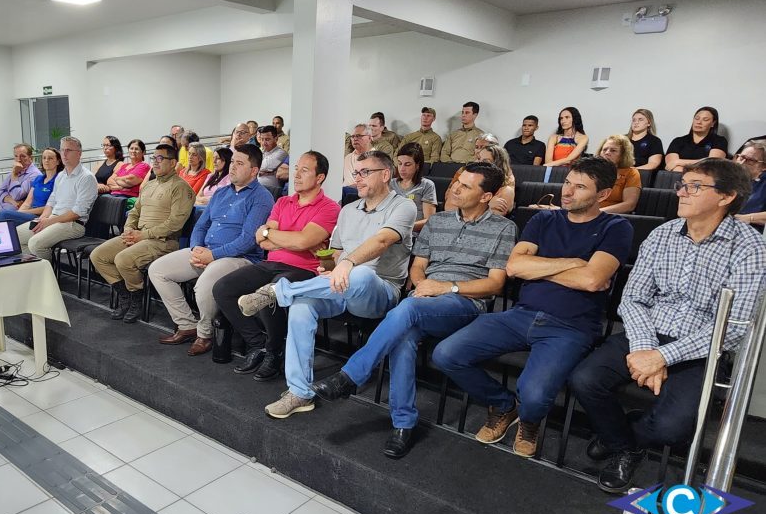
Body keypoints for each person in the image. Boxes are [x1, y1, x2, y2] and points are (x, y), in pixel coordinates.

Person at [569, 159, 766, 493]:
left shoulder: (750, 247)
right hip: (646, 331)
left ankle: (624, 433)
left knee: (671, 430)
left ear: (726, 196)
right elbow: (633, 299)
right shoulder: (662, 235)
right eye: (682, 184)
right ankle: (626, 447)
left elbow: (734, 326)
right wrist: (646, 348)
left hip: (702, 346)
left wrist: (662, 357)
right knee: (584, 380)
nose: (682, 192)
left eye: (695, 186)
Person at [310, 162, 517, 457]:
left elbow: (495, 284)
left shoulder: (504, 228)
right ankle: (404, 423)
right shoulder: (438, 221)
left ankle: (350, 376)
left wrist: (446, 288)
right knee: (404, 336)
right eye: (457, 181)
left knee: (407, 311)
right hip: (425, 299)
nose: (455, 188)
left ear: (486, 196)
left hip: (465, 303)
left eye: (466, 186)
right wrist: (422, 284)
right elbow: (418, 268)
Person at [432, 157, 632, 457]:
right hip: (520, 314)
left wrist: (542, 268)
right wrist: (575, 264)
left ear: (602, 195)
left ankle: (529, 420)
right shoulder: (543, 219)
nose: (567, 192)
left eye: (580, 187)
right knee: (447, 354)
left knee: (535, 395)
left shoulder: (616, 227)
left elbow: (592, 280)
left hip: (570, 326)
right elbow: (514, 266)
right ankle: (503, 406)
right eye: (567, 183)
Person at [237, 150, 416, 419]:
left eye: (365, 172)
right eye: (356, 173)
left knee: (361, 274)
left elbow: (381, 241)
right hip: (338, 284)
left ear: (386, 175)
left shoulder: (403, 206)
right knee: (300, 307)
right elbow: (334, 256)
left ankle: (278, 291)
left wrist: (347, 264)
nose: (358, 178)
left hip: (379, 289)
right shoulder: (348, 210)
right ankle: (299, 393)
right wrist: (328, 264)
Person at [213, 151, 340, 381]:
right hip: (271, 263)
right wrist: (287, 238)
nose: (297, 174)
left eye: (304, 170)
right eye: (296, 168)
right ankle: (258, 344)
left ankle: (274, 352)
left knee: (269, 292)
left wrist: (272, 233)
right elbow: (261, 239)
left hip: (306, 271)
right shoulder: (283, 201)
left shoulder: (329, 208)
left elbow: (299, 240)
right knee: (223, 288)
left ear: (320, 177)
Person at [148, 144, 274, 355]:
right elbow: (201, 225)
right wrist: (197, 249)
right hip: (206, 251)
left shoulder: (261, 197)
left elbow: (248, 240)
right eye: (232, 162)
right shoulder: (221, 192)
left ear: (254, 171)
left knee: (205, 284)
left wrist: (212, 255)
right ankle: (186, 323)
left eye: (239, 163)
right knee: (158, 270)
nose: (232, 167)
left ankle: (204, 334)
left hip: (239, 258)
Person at [91, 143, 195, 324]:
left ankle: (136, 296)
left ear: (173, 163)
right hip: (138, 236)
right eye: (154, 158)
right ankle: (125, 295)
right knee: (98, 255)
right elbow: (134, 212)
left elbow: (175, 223)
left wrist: (143, 235)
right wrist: (129, 229)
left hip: (164, 241)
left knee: (123, 259)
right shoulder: (148, 186)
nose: (155, 162)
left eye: (160, 158)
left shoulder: (181, 188)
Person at [16, 136, 97, 262]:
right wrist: (44, 217)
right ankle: (35, 270)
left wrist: (49, 221)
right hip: (54, 219)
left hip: (73, 224)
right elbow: (52, 201)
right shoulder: (61, 175)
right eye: (62, 150)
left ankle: (49, 276)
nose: (64, 154)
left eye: (69, 150)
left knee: (35, 244)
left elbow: (78, 212)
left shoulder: (86, 178)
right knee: (15, 237)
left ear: (79, 154)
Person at [0, 147, 64, 225]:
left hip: (37, 215)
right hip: (13, 211)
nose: (46, 161)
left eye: (50, 158)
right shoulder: (39, 179)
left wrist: (22, 212)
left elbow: (50, 207)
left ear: (58, 161)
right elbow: (26, 202)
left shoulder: (54, 179)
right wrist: (18, 209)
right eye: (44, 158)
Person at [445, 143, 515, 216]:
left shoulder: (506, 191)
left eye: (485, 161)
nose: (478, 163)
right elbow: (449, 208)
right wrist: (488, 206)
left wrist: (468, 206)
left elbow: (494, 219)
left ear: (498, 165)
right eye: (478, 158)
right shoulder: (461, 181)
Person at [390, 142, 437, 234]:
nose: (402, 169)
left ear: (417, 165)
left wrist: (402, 228)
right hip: (389, 232)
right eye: (399, 164)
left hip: (413, 234)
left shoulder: (427, 185)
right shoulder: (391, 184)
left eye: (407, 164)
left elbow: (429, 220)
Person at [666, 107, 728, 172]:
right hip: (678, 177)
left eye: (705, 119)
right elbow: (671, 165)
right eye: (697, 118)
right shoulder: (678, 141)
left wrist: (678, 161)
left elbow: (712, 164)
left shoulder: (719, 141)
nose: (699, 122)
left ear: (713, 123)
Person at [597, 135, 642, 214]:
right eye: (604, 150)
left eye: (613, 150)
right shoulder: (591, 170)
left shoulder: (631, 173)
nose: (607, 153)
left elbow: (629, 205)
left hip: (611, 216)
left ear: (623, 155)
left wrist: (598, 213)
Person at [344, 124, 394, 193]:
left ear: (370, 138)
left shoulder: (377, 159)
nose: (355, 139)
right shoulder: (347, 158)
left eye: (359, 136)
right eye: (352, 136)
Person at [734, 141, 766, 226]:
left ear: (763, 166)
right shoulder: (725, 174)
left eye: (750, 160)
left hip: (747, 231)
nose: (742, 163)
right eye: (741, 157)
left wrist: (746, 218)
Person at [256, 125, 289, 197]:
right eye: (262, 139)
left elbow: (263, 166)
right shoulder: (260, 151)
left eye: (267, 139)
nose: (264, 143)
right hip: (258, 187)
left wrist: (255, 169)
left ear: (276, 139)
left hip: (272, 190)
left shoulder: (281, 153)